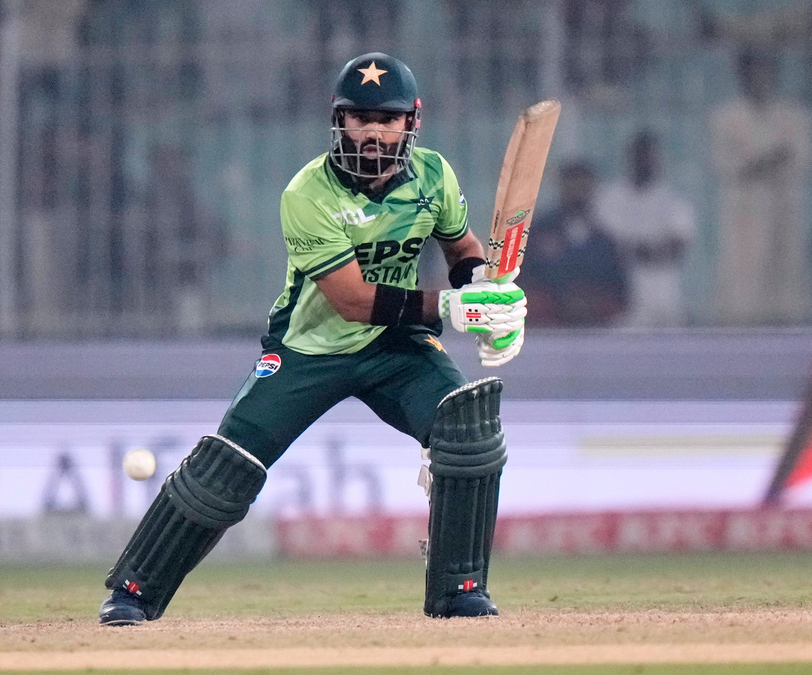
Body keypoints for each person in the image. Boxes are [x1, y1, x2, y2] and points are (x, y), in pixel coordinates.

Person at [98, 53, 528, 625]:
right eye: (359, 118)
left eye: (388, 119)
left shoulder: (433, 176)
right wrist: (454, 307)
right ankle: (132, 592)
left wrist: (482, 289)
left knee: (466, 427)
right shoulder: (308, 194)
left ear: (411, 124)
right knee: (229, 468)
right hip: (308, 348)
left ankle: (459, 589)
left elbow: (462, 245)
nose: (373, 131)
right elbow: (350, 302)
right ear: (338, 121)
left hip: (396, 349)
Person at [710, 45, 811, 325]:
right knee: (742, 285)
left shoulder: (793, 114)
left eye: (764, 71)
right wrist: (769, 158)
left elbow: (799, 158)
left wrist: (757, 162)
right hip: (744, 212)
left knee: (784, 287)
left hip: (783, 210)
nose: (759, 77)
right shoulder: (726, 117)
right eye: (752, 71)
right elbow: (727, 165)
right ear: (742, 75)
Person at [594, 132, 696, 327]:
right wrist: (638, 248)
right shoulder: (610, 197)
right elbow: (607, 242)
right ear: (631, 158)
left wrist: (648, 249)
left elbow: (679, 242)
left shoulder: (672, 199)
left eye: (652, 156)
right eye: (642, 156)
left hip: (664, 283)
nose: (647, 162)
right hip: (622, 284)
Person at [517, 161, 629, 326]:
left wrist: (590, 303)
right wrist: (558, 301)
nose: (577, 191)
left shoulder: (604, 239)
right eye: (572, 184)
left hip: (595, 330)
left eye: (583, 185)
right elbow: (521, 280)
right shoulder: (538, 232)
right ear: (561, 187)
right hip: (545, 329)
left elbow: (619, 291)